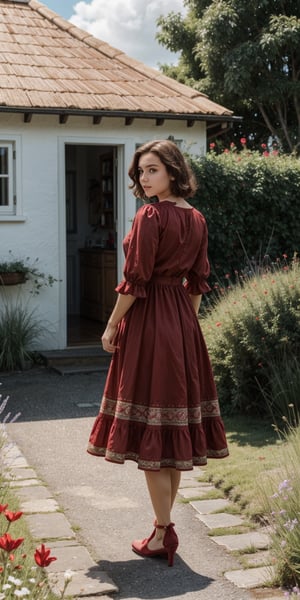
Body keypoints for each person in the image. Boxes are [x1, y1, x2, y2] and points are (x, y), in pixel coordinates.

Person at [87, 139, 229, 567]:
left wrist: (112, 325)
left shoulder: (151, 215)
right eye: (141, 172)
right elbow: (198, 284)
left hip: (150, 322)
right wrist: (185, 329)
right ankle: (161, 528)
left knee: (151, 423)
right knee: (171, 430)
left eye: (152, 170)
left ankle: (163, 534)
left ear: (172, 171)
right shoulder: (197, 218)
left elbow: (135, 280)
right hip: (183, 324)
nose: (144, 179)